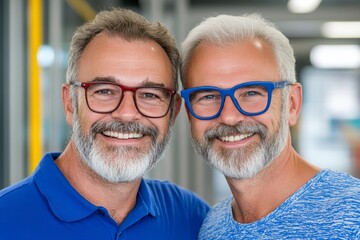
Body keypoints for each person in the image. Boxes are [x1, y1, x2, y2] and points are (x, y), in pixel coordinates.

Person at [0, 8, 209, 239]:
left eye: (150, 95)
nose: (127, 113)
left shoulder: (191, 218)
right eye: (105, 91)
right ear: (70, 103)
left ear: (173, 111)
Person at [180, 13, 360, 239]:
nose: (229, 117)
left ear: (292, 104)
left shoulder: (353, 215)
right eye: (208, 96)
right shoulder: (211, 227)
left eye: (252, 93)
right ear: (189, 113)